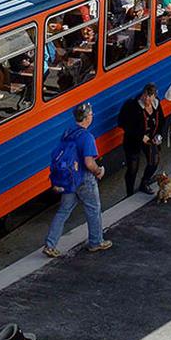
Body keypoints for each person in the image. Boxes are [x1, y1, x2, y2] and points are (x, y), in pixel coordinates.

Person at [43, 103, 110, 257]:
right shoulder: (87, 137)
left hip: (69, 179)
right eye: (91, 114)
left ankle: (50, 244)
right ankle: (96, 242)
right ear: (87, 118)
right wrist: (98, 171)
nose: (92, 116)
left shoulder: (68, 131)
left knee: (63, 211)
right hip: (84, 178)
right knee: (93, 209)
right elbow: (88, 162)